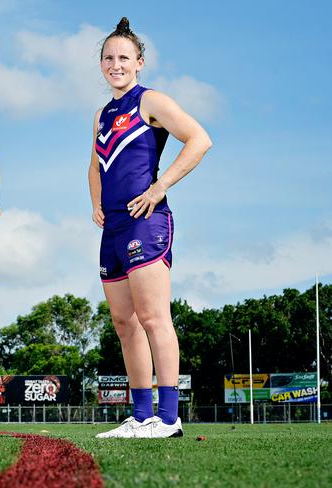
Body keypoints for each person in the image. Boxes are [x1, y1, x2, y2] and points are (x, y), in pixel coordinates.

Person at [90, 18, 211, 438]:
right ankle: (141, 417)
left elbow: (198, 139)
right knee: (124, 323)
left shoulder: (150, 101)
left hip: (146, 221)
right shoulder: (103, 114)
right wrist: (96, 204)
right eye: (109, 58)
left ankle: (170, 417)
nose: (115, 64)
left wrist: (160, 187)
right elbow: (94, 165)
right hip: (114, 229)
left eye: (124, 57)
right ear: (101, 65)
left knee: (153, 316)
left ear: (139, 62)